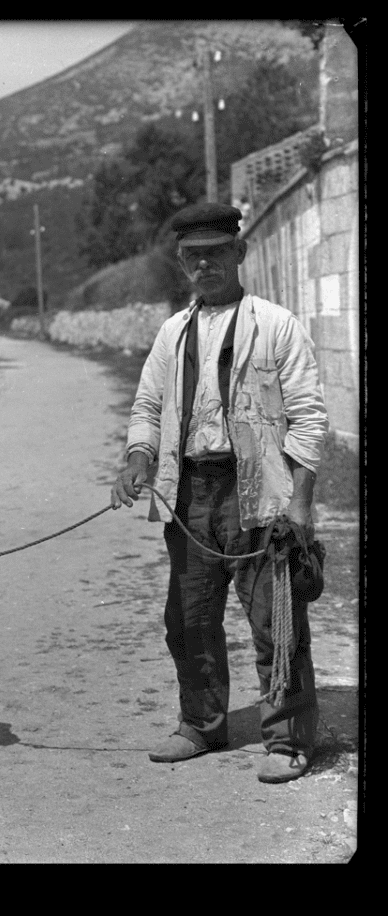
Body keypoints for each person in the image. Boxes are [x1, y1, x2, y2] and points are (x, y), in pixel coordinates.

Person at [110, 202, 329, 784]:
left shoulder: (275, 325)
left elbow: (309, 418)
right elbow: (148, 406)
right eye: (192, 256)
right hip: (189, 495)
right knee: (189, 620)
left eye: (215, 253)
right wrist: (138, 458)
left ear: (239, 252)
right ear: (181, 262)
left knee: (276, 621)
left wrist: (300, 503)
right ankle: (200, 726)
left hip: (259, 494)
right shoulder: (173, 332)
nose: (204, 265)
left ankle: (287, 740)